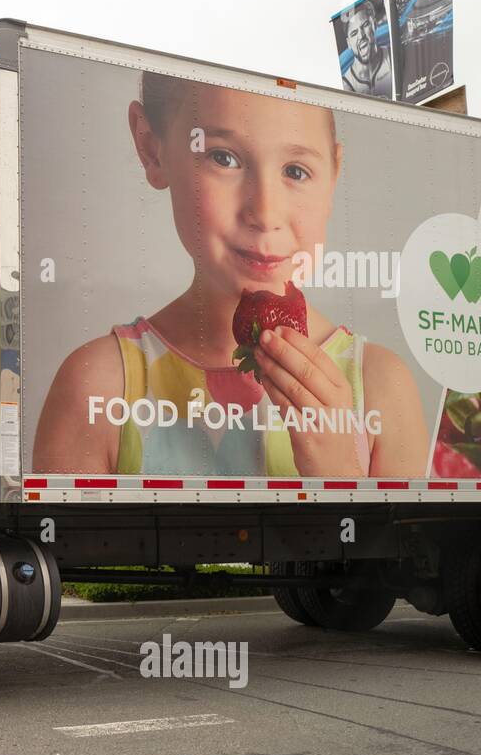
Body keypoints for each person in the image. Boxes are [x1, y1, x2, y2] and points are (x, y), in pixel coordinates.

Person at [33, 73, 427, 478]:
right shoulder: (97, 387)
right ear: (152, 149)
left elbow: (398, 543)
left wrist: (341, 474)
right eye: (223, 157)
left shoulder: (381, 386)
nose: (266, 213)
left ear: (333, 175)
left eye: (295, 171)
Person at [341, 2, 392, 98]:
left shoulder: (392, 56)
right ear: (348, 43)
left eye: (365, 25)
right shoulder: (346, 84)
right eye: (354, 33)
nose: (361, 36)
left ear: (375, 25)